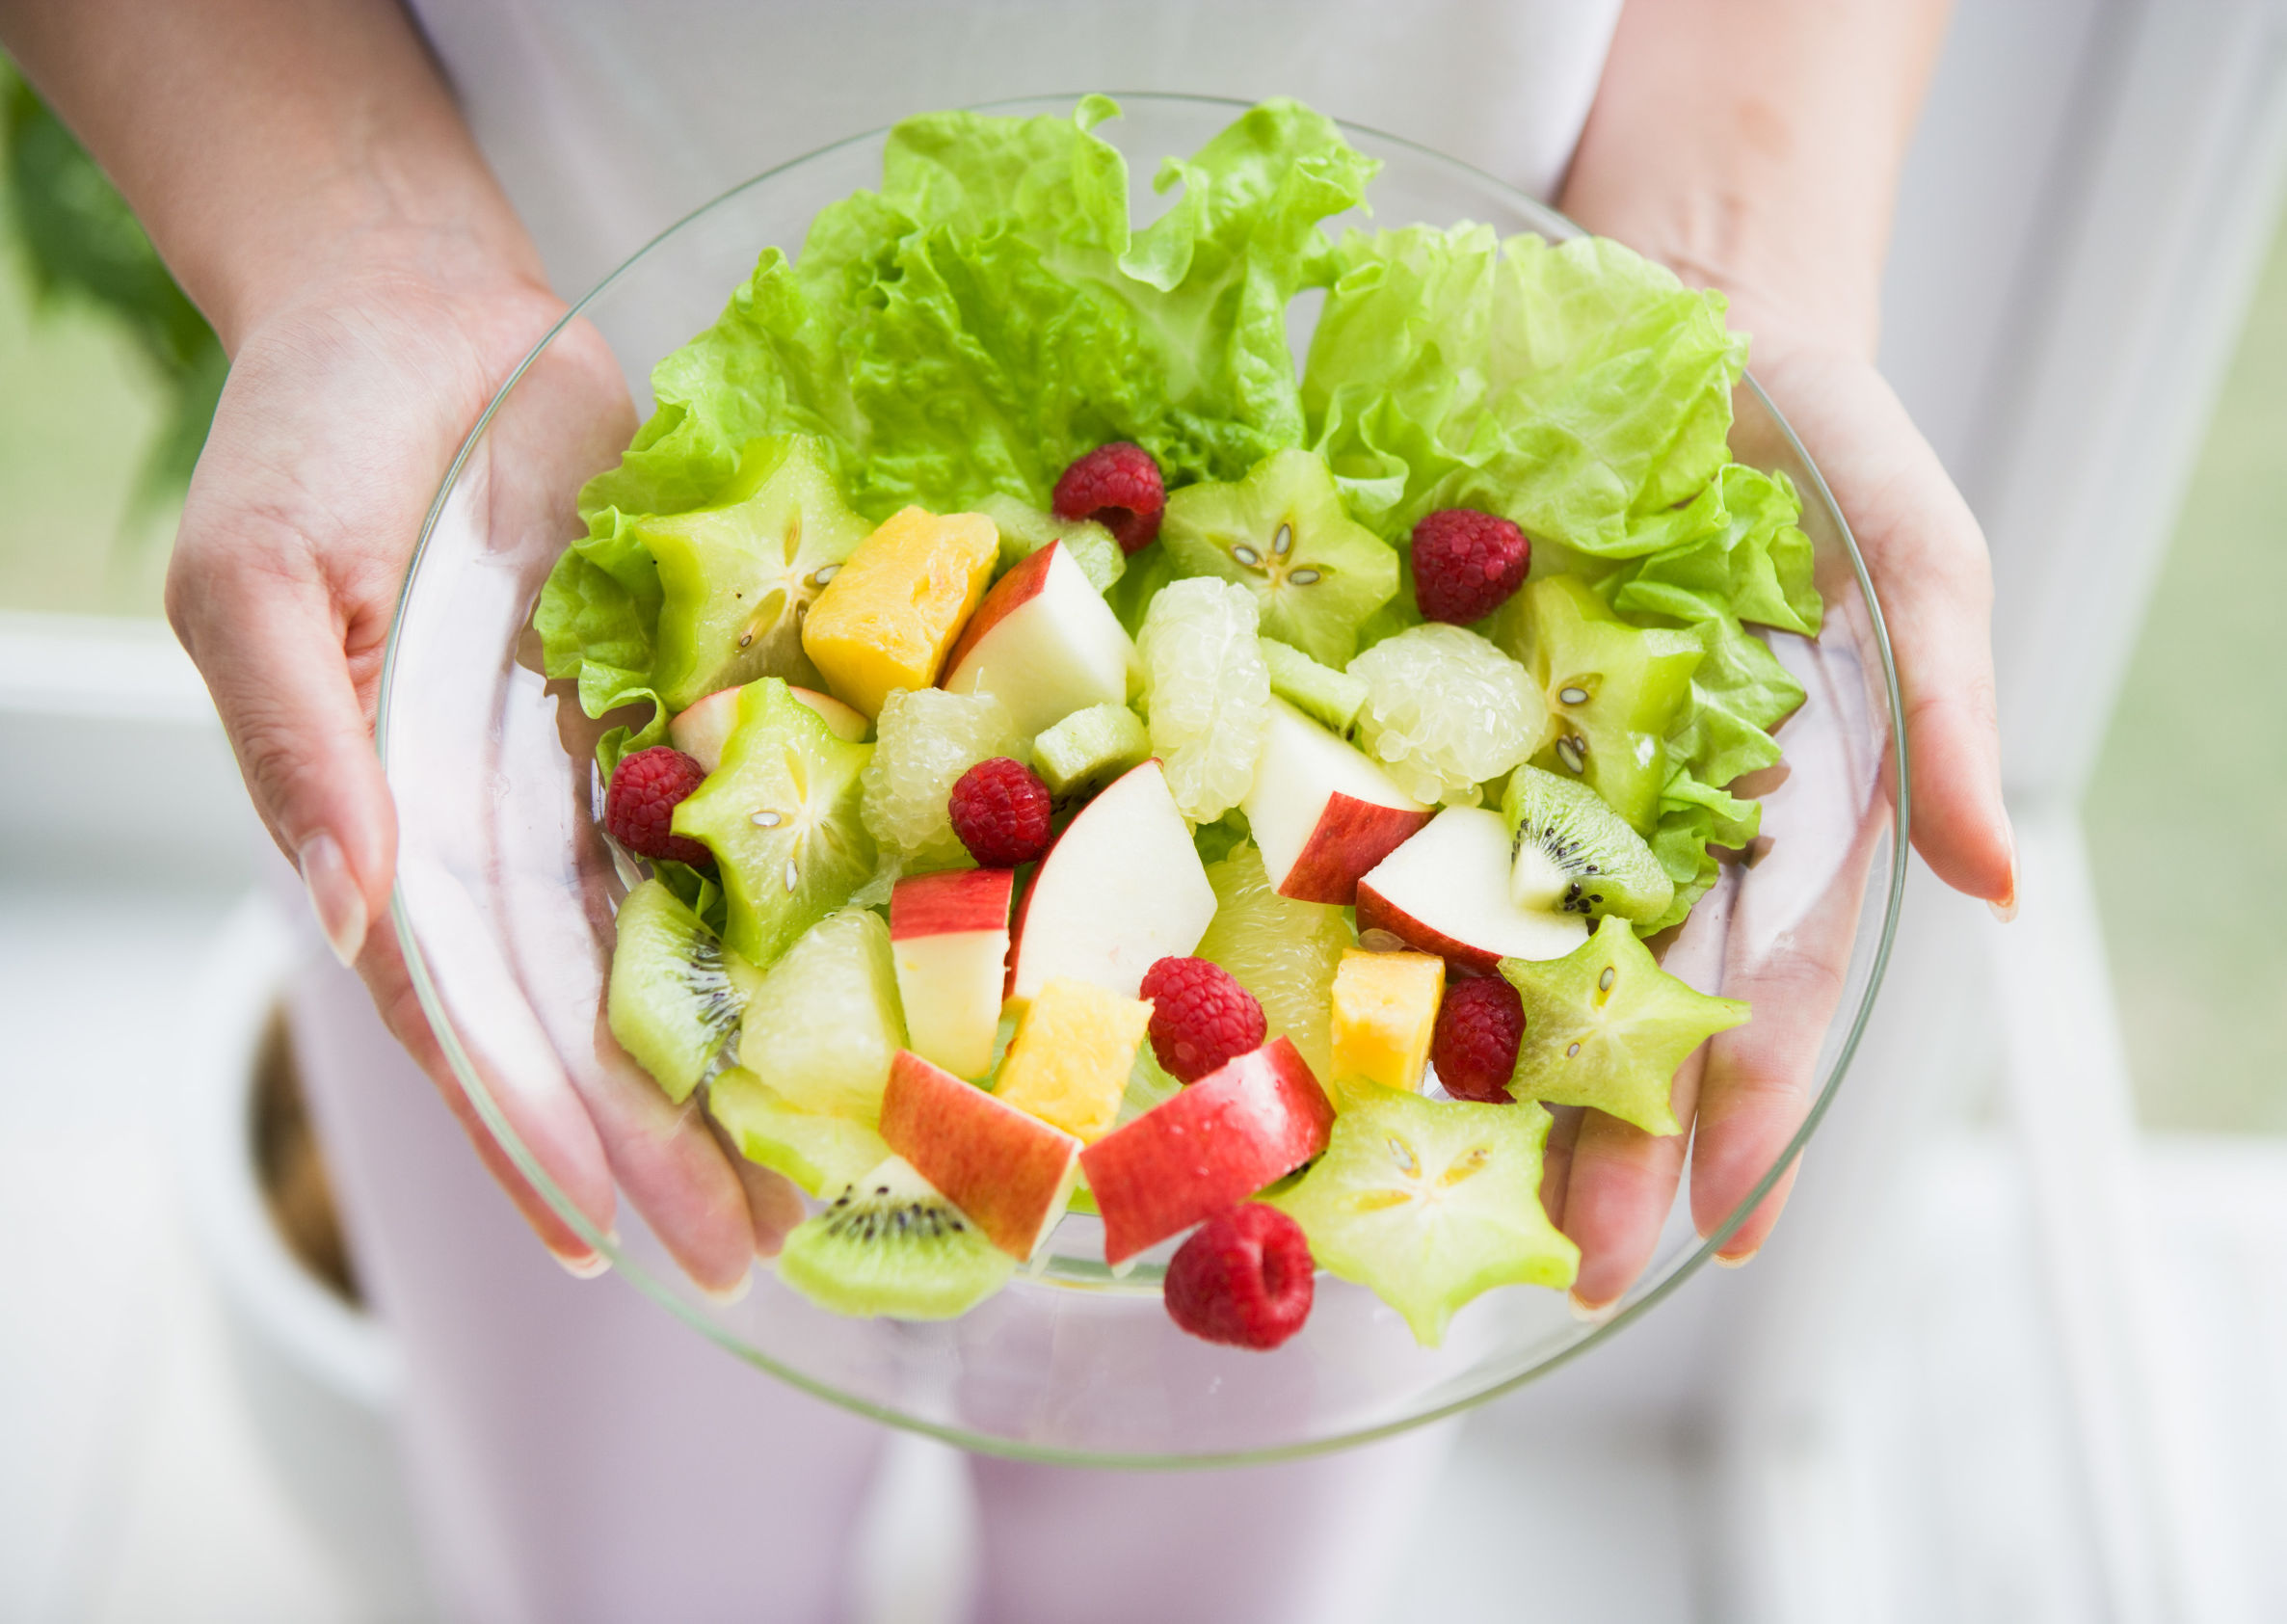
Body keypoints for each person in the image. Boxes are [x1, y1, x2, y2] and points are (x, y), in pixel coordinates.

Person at [0, 2, 2017, 1619]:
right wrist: (354, 248)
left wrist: (1712, 280)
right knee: (614, 1564)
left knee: (1210, 1582)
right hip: (530, 663)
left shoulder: (1338, 933)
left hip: (1377, 780)